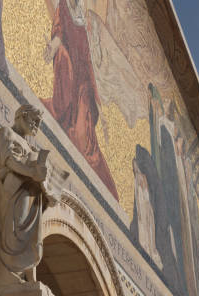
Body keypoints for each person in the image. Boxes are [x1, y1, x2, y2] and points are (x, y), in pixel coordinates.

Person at [41, 0, 119, 200]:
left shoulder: (85, 21)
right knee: (75, 131)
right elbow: (58, 32)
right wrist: (52, 47)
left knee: (84, 140)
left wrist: (99, 99)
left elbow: (93, 59)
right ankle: (62, 113)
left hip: (84, 83)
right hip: (69, 75)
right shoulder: (64, 8)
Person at [0, 105, 56, 287]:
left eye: (39, 123)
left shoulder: (31, 147)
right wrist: (32, 172)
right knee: (12, 232)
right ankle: (4, 273)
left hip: (31, 194)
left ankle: (28, 275)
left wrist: (48, 190)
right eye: (34, 120)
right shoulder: (5, 134)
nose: (36, 125)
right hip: (12, 194)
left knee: (33, 238)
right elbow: (10, 161)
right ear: (21, 116)